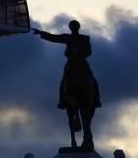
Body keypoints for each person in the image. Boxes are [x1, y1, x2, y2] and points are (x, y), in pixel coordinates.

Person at [33, 20, 101, 149]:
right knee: (64, 81)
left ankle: (96, 99)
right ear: (70, 28)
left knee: (92, 80)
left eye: (75, 27)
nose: (73, 28)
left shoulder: (85, 38)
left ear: (78, 27)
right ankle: (63, 100)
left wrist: (79, 53)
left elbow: (89, 51)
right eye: (72, 27)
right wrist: (42, 33)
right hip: (71, 64)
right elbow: (54, 38)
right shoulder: (67, 38)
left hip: (81, 63)